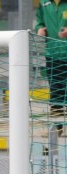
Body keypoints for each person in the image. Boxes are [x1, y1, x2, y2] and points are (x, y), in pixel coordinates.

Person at [35, 0, 67, 133]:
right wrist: (39, 28)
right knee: (55, 91)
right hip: (52, 54)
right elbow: (39, 21)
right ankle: (57, 128)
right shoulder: (44, 3)